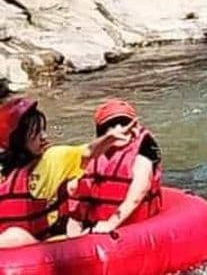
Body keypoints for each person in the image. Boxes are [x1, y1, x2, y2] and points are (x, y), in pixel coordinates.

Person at [0, 97, 132, 248]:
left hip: (47, 246)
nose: (44, 136)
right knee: (13, 236)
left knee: (17, 236)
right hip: (8, 251)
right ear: (17, 139)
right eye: (36, 133)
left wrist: (108, 139)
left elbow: (89, 151)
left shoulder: (54, 158)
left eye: (43, 130)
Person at [67, 100, 162, 236]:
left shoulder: (145, 149)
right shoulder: (92, 155)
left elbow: (138, 193)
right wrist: (73, 236)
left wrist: (110, 224)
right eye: (111, 125)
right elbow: (78, 200)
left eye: (124, 123)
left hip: (132, 228)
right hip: (95, 226)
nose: (119, 129)